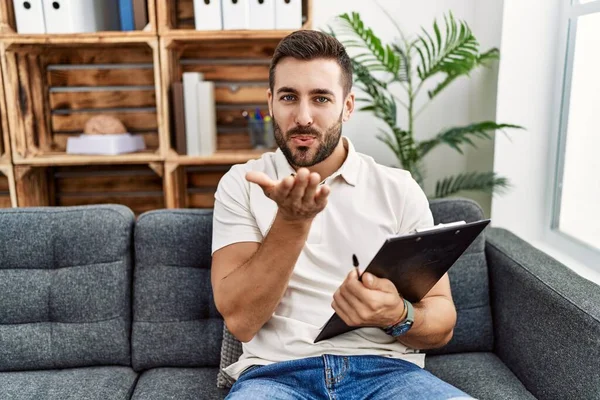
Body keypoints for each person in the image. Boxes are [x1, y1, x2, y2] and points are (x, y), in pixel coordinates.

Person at [211, 30, 473, 400]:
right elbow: (241, 322)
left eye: (321, 98)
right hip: (275, 377)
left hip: (387, 373)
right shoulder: (243, 183)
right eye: (289, 97)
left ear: (347, 106)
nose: (303, 116)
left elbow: (442, 323)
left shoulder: (398, 188)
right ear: (270, 102)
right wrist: (292, 221)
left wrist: (396, 314)